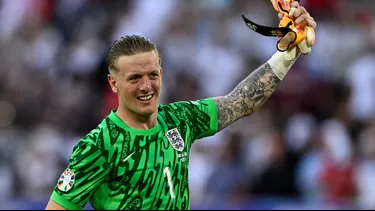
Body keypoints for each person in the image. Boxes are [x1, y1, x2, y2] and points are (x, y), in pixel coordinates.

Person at [45, 1, 317, 210]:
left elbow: (241, 102)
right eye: (134, 78)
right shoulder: (98, 146)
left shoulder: (179, 119)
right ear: (113, 84)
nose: (146, 86)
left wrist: (287, 53)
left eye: (152, 75)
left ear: (162, 75)